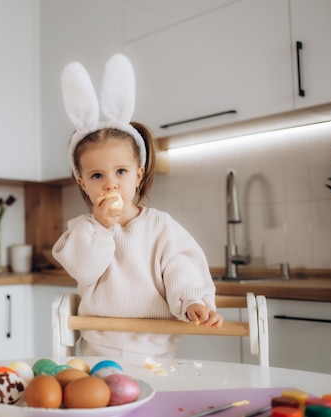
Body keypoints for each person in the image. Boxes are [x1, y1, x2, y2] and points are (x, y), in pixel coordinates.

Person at [52, 54, 222, 359]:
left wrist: (193, 303)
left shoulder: (161, 227)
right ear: (82, 182)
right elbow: (83, 271)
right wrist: (102, 226)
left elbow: (181, 269)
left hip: (156, 352)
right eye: (96, 175)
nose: (110, 184)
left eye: (120, 172)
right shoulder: (82, 230)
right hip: (96, 351)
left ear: (139, 173)